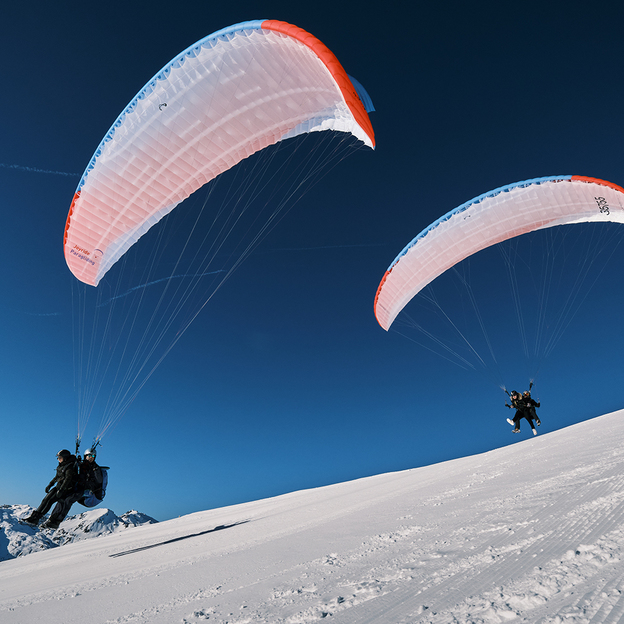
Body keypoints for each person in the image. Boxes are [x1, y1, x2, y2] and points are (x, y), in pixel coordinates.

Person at [23, 449, 80, 528]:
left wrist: (61, 490)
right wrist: (50, 485)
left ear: (65, 458)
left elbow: (68, 479)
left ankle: (37, 518)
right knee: (45, 500)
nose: (58, 459)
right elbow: (57, 477)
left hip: (65, 489)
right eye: (58, 458)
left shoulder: (70, 466)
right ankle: (33, 517)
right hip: (58, 487)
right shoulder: (61, 465)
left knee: (50, 501)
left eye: (60, 458)